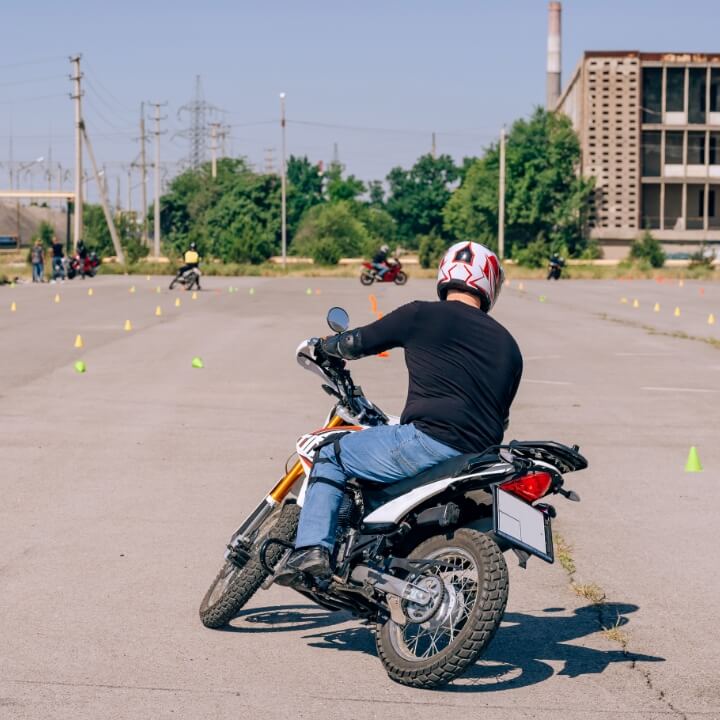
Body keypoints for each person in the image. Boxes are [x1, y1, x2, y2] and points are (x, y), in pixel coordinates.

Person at [285, 241, 524, 577]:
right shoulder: (510, 346)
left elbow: (357, 342)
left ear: (445, 273)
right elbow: (503, 414)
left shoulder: (420, 314)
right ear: (489, 283)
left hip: (426, 441)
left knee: (332, 454)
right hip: (479, 457)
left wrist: (324, 347)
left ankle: (312, 549)